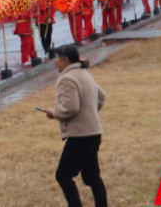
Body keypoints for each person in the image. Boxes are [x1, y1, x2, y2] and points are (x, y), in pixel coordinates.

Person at [39, 45, 107, 207]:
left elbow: (70, 107)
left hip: (80, 135)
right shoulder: (84, 73)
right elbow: (101, 96)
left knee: (63, 175)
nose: (55, 62)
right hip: (94, 131)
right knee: (92, 177)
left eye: (56, 58)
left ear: (65, 60)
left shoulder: (67, 78)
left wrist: (54, 113)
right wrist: (90, 112)